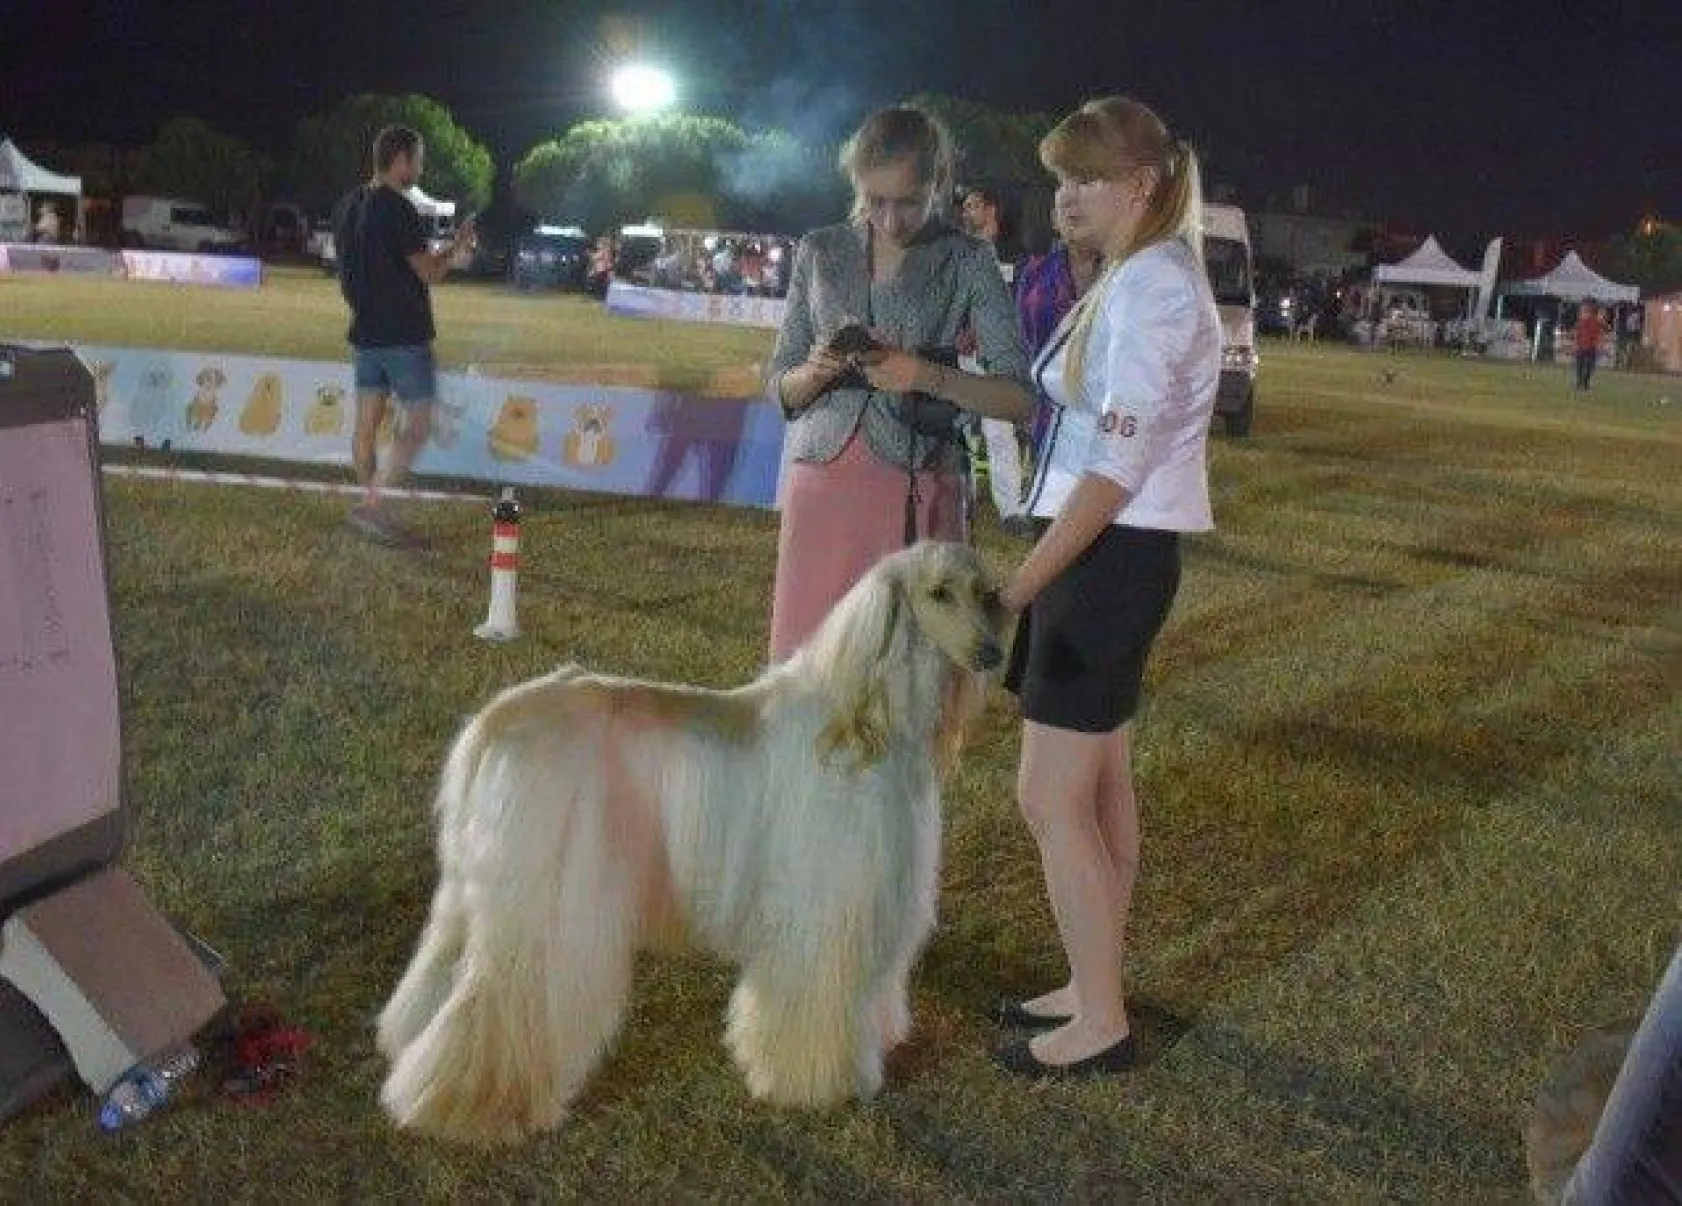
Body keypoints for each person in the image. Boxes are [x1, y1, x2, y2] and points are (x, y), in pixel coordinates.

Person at [992, 96, 1221, 1077]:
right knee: (1097, 794)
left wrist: (1018, 586)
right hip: (1103, 553)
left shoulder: (1155, 289)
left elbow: (1114, 468)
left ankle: (1100, 1023)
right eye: (1057, 178)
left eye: (1084, 177)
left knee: (1050, 798)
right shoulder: (1138, 276)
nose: (1064, 196)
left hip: (1106, 556)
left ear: (1138, 185)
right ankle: (1093, 991)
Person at [764, 104, 1032, 662]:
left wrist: (925, 375)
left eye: (906, 201)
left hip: (920, 488)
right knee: (806, 675)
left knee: (909, 680)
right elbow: (779, 389)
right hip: (820, 487)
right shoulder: (819, 249)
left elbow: (1018, 398)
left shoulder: (968, 260)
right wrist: (814, 372)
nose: (889, 219)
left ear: (938, 182)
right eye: (874, 200)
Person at [331, 124, 476, 545]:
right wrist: (457, 245)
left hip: (364, 333)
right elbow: (430, 271)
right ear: (401, 160)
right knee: (417, 424)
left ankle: (370, 505)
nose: (420, 167)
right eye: (418, 159)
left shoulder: (347, 205)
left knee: (365, 426)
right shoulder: (397, 208)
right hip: (403, 335)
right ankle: (374, 508)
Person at [1574, 301, 1605, 391]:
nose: (1583, 312)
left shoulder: (1595, 321)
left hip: (1591, 346)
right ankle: (1581, 383)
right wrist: (1576, 343)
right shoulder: (1581, 321)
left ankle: (1584, 383)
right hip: (1582, 345)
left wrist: (1599, 343)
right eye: (1583, 310)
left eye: (1585, 310)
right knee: (1581, 366)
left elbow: (1601, 330)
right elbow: (1577, 334)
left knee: (1589, 366)